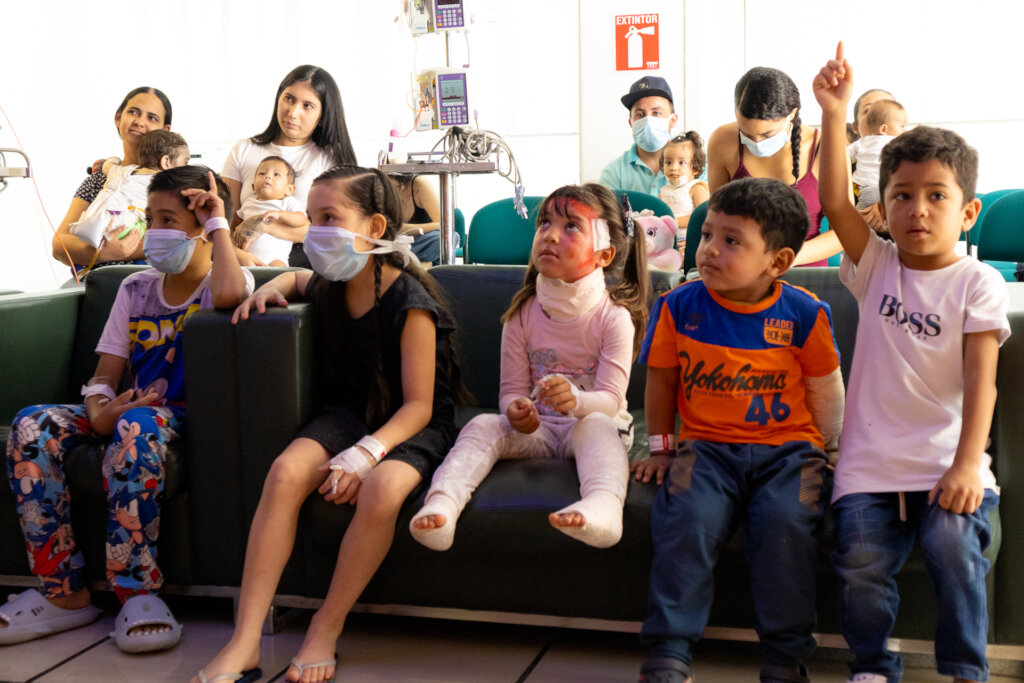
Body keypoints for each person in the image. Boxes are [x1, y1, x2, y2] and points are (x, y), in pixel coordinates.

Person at [196, 165, 467, 683]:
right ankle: (245, 640)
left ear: (374, 227)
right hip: (347, 414)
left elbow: (420, 407)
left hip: (411, 425)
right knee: (284, 473)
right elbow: (300, 278)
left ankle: (326, 627)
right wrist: (272, 286)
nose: (315, 230)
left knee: (382, 490)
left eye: (329, 218)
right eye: (312, 217)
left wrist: (365, 455)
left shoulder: (412, 303)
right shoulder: (333, 282)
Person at [815, 44, 1009, 683]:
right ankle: (872, 665)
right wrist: (834, 113)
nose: (917, 209)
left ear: (968, 211)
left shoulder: (978, 283)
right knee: (861, 566)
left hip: (947, 464)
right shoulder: (877, 266)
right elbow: (836, 202)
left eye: (936, 195)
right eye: (901, 195)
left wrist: (967, 465)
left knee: (956, 551)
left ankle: (965, 670)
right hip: (868, 469)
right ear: (884, 206)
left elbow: (982, 382)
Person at [2, 166, 251, 653]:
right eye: (150, 218)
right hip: (127, 410)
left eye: (168, 220)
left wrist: (220, 223)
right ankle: (62, 592)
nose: (154, 231)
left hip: (178, 416)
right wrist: (99, 410)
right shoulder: (135, 287)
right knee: (31, 423)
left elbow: (229, 294)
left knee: (136, 426)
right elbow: (105, 375)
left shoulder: (217, 283)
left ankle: (137, 592)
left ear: (202, 227)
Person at [634, 177, 845, 683]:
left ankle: (785, 659)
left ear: (778, 261)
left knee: (788, 524)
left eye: (731, 241)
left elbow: (825, 389)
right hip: (705, 452)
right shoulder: (678, 305)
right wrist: (660, 449)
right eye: (707, 234)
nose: (709, 249)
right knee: (685, 520)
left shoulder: (805, 313)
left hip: (793, 455)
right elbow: (661, 383)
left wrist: (833, 450)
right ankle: (669, 653)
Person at [410, 183, 649, 551]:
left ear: (604, 254)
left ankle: (604, 507)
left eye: (571, 226)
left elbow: (611, 401)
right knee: (482, 425)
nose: (550, 235)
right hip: (539, 429)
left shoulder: (613, 317)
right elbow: (510, 392)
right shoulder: (521, 313)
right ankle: (442, 504)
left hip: (593, 424)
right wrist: (516, 411)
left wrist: (576, 401)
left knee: (598, 427)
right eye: (544, 223)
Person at [706, 67, 844, 267]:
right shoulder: (723, 141)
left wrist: (784, 259)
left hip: (803, 270)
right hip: (741, 268)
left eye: (767, 134)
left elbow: (842, 232)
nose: (756, 142)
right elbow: (718, 220)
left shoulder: (826, 146)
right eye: (746, 134)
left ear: (792, 113)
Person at [222, 65, 357, 268]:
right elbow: (224, 219)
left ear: (322, 116)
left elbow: (336, 230)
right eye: (289, 99)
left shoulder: (329, 159)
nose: (293, 112)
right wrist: (237, 254)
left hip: (305, 259)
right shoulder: (243, 149)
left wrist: (264, 225)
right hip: (242, 257)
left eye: (307, 106)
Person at [51, 87, 173, 274]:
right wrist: (102, 253)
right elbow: (59, 245)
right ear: (118, 118)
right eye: (133, 112)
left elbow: (181, 240)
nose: (140, 122)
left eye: (152, 118)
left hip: (153, 281)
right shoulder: (99, 179)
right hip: (93, 282)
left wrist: (125, 250)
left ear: (165, 130)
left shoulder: (174, 183)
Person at [70, 130, 189, 259]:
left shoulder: (124, 170)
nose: (186, 168)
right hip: (124, 231)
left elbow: (106, 166)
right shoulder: (166, 184)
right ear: (166, 162)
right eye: (185, 162)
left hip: (89, 223)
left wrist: (113, 159)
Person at [599, 76, 678, 195]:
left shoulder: (696, 165)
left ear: (673, 120)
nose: (648, 120)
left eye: (656, 113)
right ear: (631, 123)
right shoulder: (613, 173)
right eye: (640, 115)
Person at [232, 156, 307, 267]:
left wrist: (281, 215)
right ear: (253, 187)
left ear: (289, 189)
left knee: (279, 272)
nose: (267, 176)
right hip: (247, 257)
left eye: (276, 174)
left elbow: (301, 220)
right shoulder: (248, 203)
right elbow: (236, 224)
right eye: (262, 173)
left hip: (275, 259)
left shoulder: (287, 203)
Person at [850, 88, 896, 232]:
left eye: (887, 110)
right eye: (869, 111)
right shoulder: (845, 172)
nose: (880, 116)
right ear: (856, 127)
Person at [387, 174, 459, 266]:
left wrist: (404, 228)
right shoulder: (381, 186)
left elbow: (442, 224)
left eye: (395, 187)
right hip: (395, 241)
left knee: (449, 237)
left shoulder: (420, 184)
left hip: (418, 241)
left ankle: (399, 256)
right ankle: (399, 255)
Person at [847, 99, 906, 210]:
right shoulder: (895, 142)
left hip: (862, 185)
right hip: (882, 187)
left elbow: (843, 156)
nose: (905, 130)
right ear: (884, 129)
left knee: (862, 211)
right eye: (902, 126)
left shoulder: (861, 142)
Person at [658, 132, 710, 231]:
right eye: (668, 162)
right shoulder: (664, 191)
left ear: (695, 168)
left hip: (688, 238)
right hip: (667, 237)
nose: (673, 168)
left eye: (681, 162)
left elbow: (704, 216)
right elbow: (654, 209)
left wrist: (677, 221)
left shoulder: (696, 188)